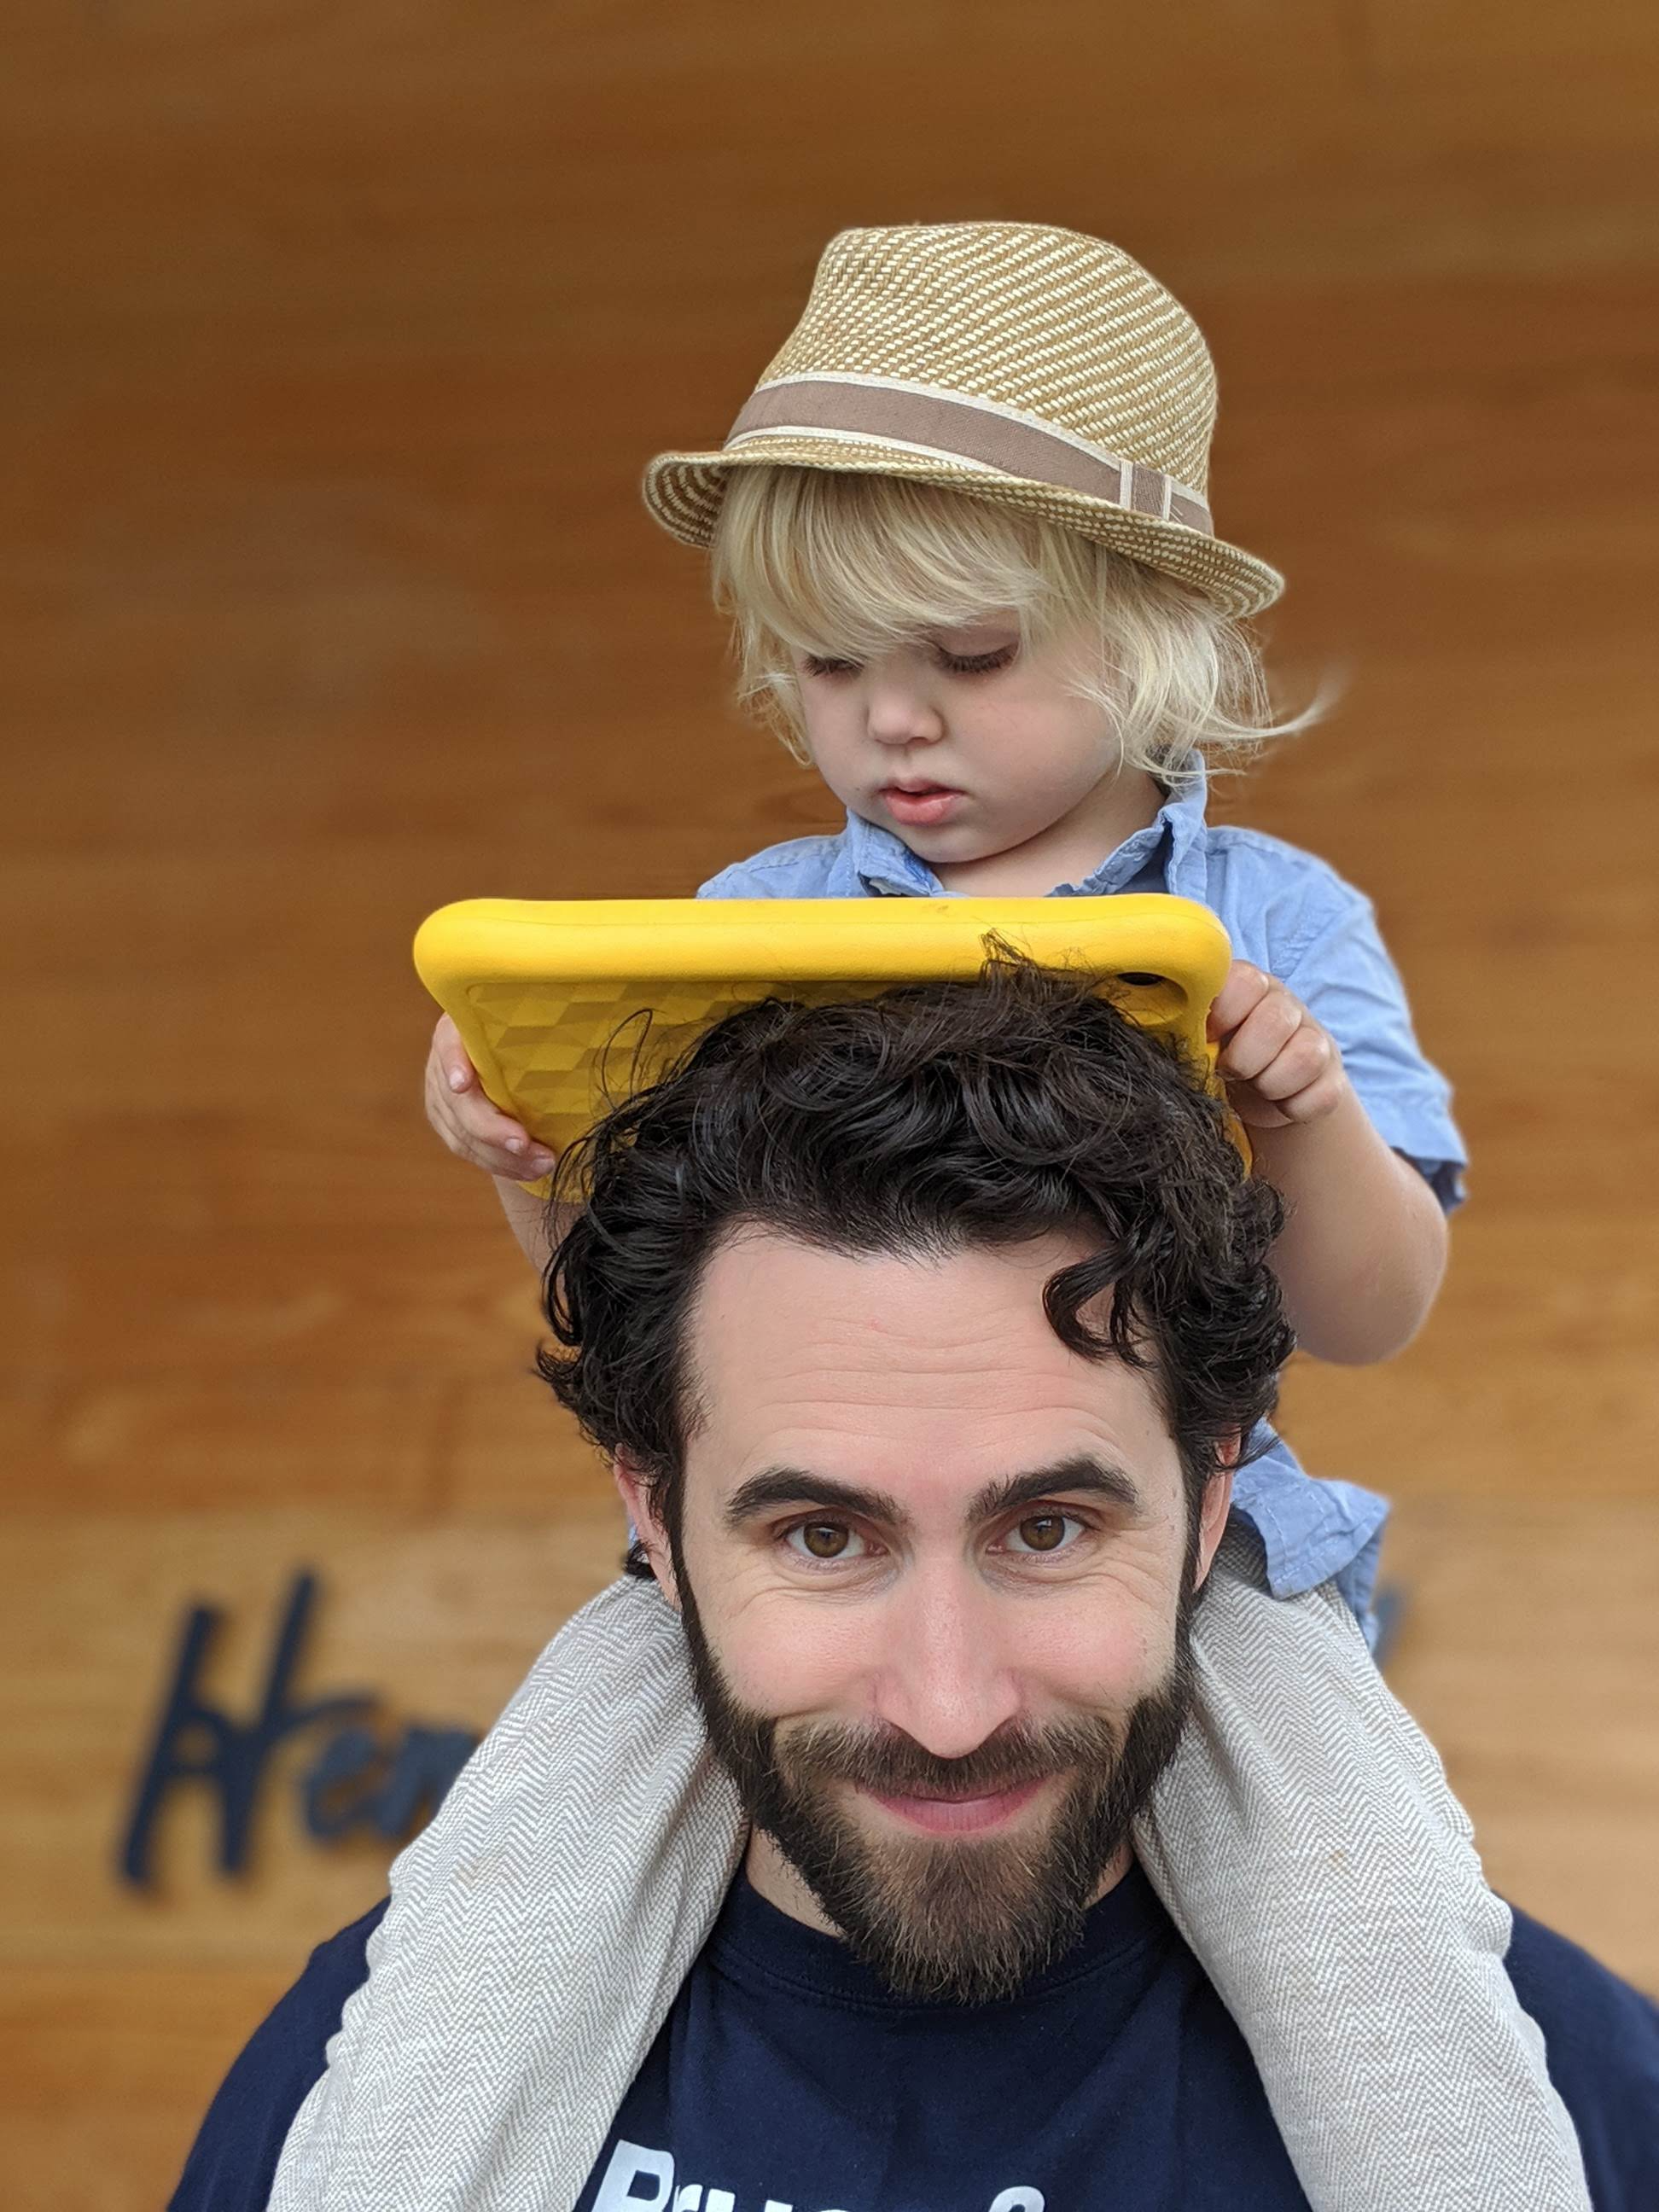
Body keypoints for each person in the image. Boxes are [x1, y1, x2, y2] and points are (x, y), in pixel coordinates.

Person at [415, 224, 1582, 2205]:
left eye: (963, 660)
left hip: (1199, 1567)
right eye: (826, 667)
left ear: (1153, 637)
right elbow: (648, 1337)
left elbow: (1379, 1312)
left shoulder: (1275, 916)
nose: (891, 728)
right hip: (775, 1570)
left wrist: (1300, 1121)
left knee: (1385, 1943)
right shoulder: (752, 922)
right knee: (471, 1938)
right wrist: (532, 1173)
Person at [181, 969, 1656, 2211]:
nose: (948, 1706)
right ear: (656, 1517)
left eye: (1051, 1529)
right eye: (825, 1539)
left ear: (1213, 1506)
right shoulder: (374, 2098)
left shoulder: (1539, 2095)